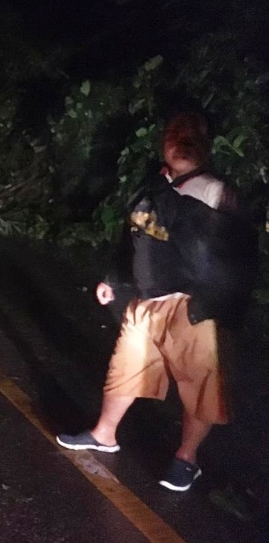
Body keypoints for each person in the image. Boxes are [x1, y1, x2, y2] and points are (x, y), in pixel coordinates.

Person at [56, 112, 256, 492]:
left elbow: (238, 257)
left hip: (192, 305)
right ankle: (104, 434)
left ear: (205, 143)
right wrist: (113, 277)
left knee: (199, 386)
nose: (182, 140)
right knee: (125, 369)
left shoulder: (215, 191)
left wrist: (218, 307)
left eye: (191, 134)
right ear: (162, 142)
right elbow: (133, 235)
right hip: (146, 301)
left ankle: (186, 460)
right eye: (174, 134)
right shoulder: (152, 186)